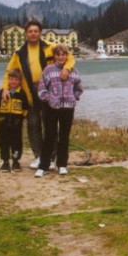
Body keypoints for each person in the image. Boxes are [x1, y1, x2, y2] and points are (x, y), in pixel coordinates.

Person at [0, 20, 75, 169]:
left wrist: (66, 68)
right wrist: (5, 88)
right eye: (30, 31)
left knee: (50, 126)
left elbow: (70, 57)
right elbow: (9, 72)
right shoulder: (19, 51)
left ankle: (52, 157)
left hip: (49, 91)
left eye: (36, 31)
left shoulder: (50, 47)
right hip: (30, 92)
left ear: (40, 33)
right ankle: (38, 156)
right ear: (26, 33)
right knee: (33, 125)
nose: (33, 33)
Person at [35, 44, 83, 177]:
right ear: (54, 56)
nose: (61, 57)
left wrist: (74, 97)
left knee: (64, 137)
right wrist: (48, 99)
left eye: (63, 54)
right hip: (51, 107)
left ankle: (62, 165)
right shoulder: (48, 70)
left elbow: (79, 88)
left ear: (67, 56)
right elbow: (42, 88)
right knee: (49, 136)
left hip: (68, 108)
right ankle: (43, 166)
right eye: (58, 54)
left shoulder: (74, 71)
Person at [0, 69, 29, 172]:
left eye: (16, 79)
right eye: (11, 79)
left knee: (16, 143)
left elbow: (25, 108)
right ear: (8, 80)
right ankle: (5, 162)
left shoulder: (21, 93)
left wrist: (20, 118)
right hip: (4, 123)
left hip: (16, 124)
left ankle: (15, 161)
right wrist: (2, 116)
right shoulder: (3, 92)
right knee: (3, 142)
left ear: (20, 81)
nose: (13, 81)